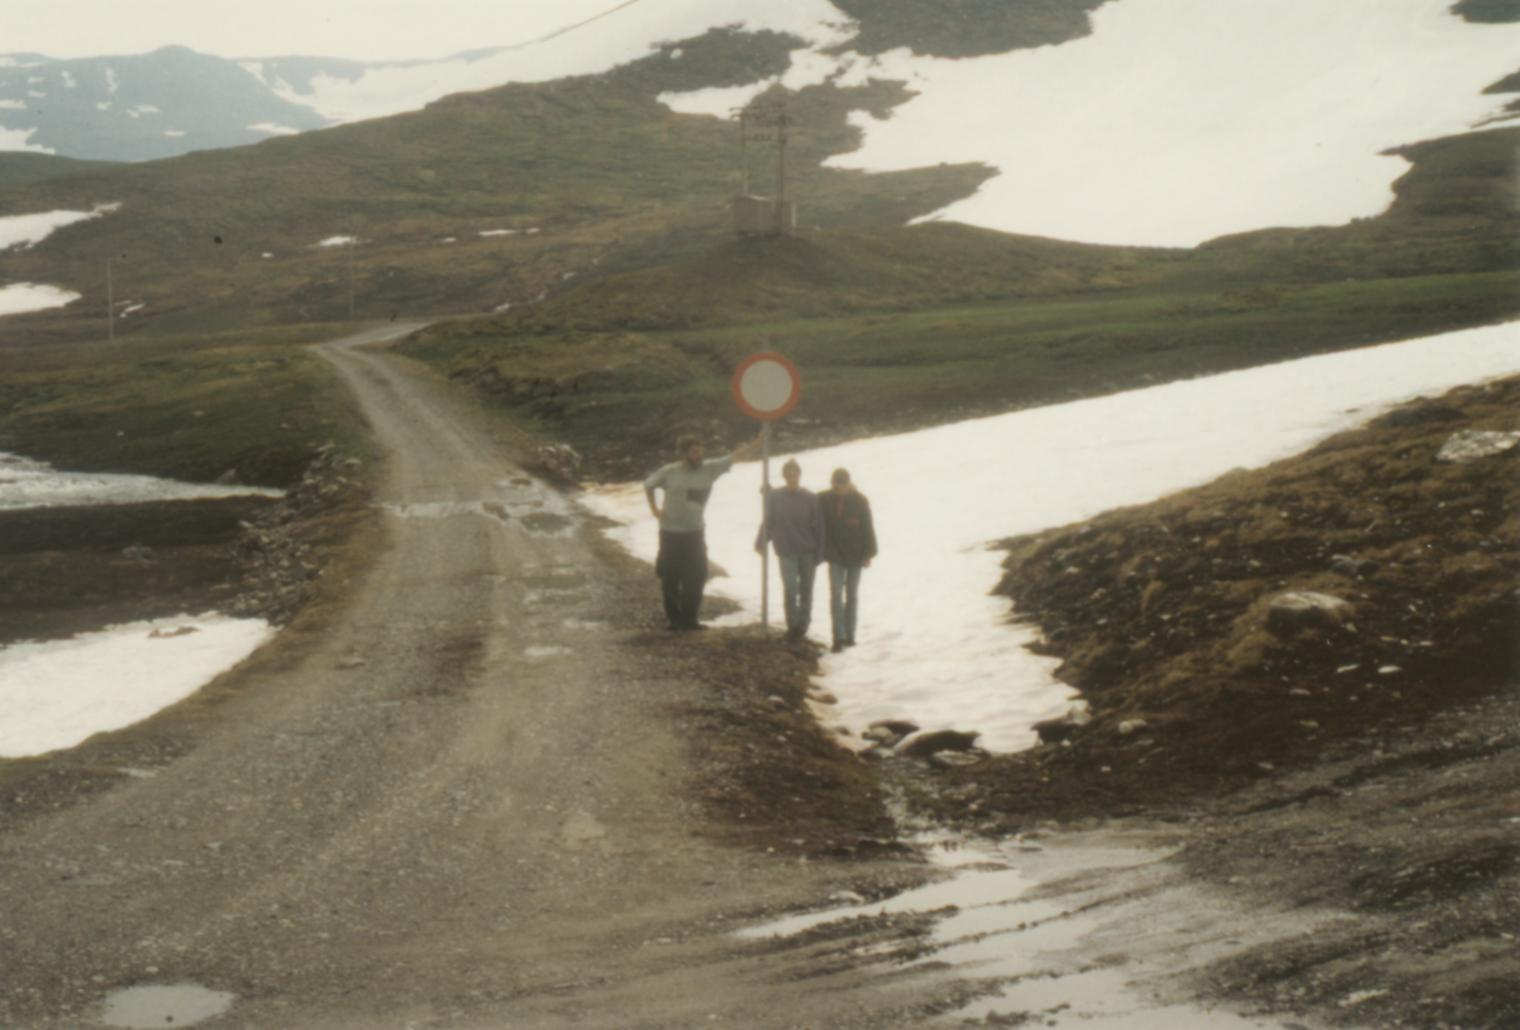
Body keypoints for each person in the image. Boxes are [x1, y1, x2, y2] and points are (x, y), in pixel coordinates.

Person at [645, 432, 762, 631]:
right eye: (694, 452)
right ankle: (674, 620)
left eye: (700, 451)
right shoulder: (670, 472)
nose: (698, 455)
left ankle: (689, 620)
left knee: (698, 574)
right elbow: (648, 485)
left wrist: (758, 442)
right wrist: (655, 510)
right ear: (684, 453)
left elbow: (735, 456)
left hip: (695, 532)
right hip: (670, 533)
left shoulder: (709, 469)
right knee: (670, 577)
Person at [754, 458, 825, 643]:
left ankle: (803, 625)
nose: (792, 477)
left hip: (807, 550)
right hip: (786, 550)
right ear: (784, 476)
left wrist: (819, 553)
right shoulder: (775, 497)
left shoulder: (811, 498)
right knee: (791, 588)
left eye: (795, 473)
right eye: (788, 473)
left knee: (806, 589)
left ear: (799, 475)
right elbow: (769, 521)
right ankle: (792, 625)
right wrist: (761, 541)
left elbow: (819, 526)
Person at [821, 467, 876, 652]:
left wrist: (869, 553)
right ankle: (838, 637)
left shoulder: (860, 501)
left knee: (851, 596)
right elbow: (802, 500)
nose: (838, 489)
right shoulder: (825, 498)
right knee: (836, 596)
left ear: (848, 484)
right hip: (835, 556)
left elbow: (868, 528)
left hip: (856, 555)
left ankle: (850, 636)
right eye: (835, 485)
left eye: (841, 485)